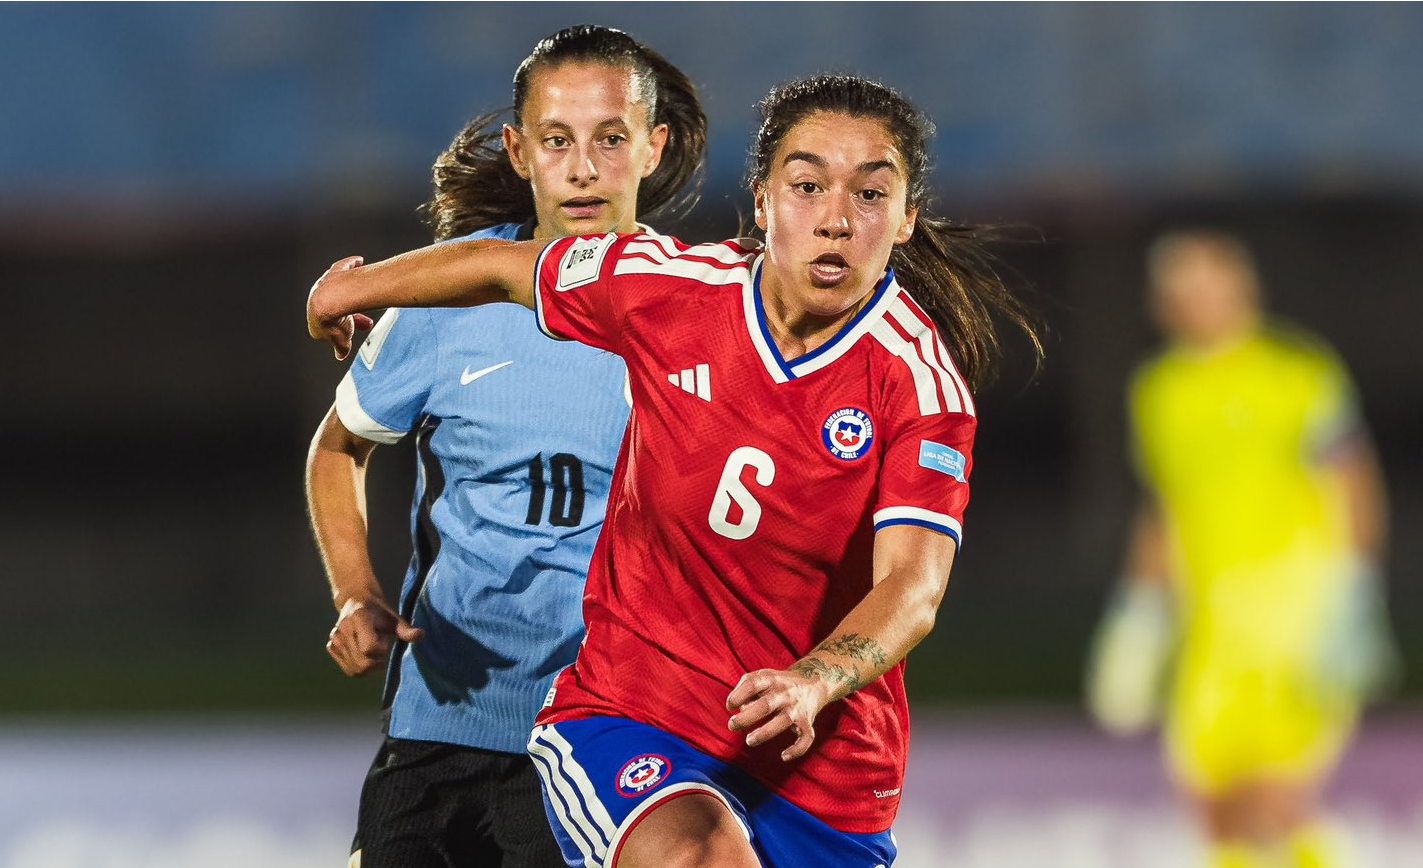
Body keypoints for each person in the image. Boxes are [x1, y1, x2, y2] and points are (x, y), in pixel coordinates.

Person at [307, 74, 1041, 868]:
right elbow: (502, 268)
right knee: (701, 858)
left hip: (819, 770)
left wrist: (812, 681)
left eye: (870, 195)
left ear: (903, 222)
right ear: (761, 202)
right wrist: (344, 291)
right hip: (629, 714)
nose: (835, 220)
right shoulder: (668, 291)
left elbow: (911, 587)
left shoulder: (920, 387)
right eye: (806, 186)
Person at [303, 24, 706, 868]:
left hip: (606, 739)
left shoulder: (702, 317)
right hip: (437, 725)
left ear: (653, 148)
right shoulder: (439, 295)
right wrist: (355, 593)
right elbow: (338, 448)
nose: (584, 168)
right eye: (557, 141)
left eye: (610, 138)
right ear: (519, 152)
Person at [1087, 230, 1395, 868]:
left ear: (1243, 287)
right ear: (1161, 304)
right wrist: (1138, 615)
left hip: (1295, 620)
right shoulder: (1159, 391)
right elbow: (1166, 509)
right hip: (1209, 631)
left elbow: (1355, 484)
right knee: (1216, 811)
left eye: (1210, 280)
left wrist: (1355, 596)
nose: (1198, 299)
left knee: (1273, 804)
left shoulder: (1298, 375)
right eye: (1181, 287)